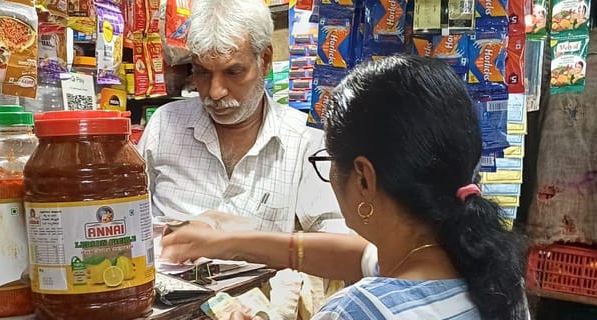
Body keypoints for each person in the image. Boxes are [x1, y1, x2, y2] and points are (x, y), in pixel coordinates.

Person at [163, 56, 527, 319]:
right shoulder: (492, 274)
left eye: (330, 162)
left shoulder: (357, 311)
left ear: (364, 178)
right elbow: (356, 257)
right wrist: (227, 242)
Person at [138, 0, 343, 233]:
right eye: (202, 72)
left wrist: (252, 246)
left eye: (233, 72)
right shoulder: (163, 126)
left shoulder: (305, 141)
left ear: (264, 61)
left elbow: (336, 241)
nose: (215, 92)